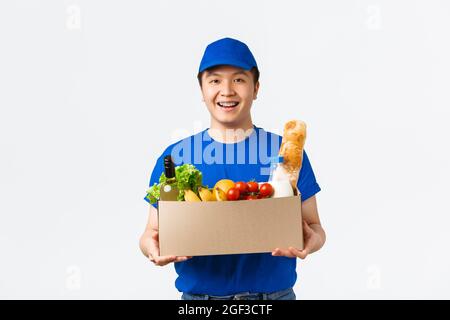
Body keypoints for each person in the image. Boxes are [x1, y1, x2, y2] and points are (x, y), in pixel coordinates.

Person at [139, 37, 326, 300]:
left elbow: (316, 227)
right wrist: (152, 249)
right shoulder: (176, 157)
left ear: (256, 88)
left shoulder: (285, 153)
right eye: (215, 80)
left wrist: (310, 241)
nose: (227, 91)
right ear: (202, 90)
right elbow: (150, 233)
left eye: (239, 79)